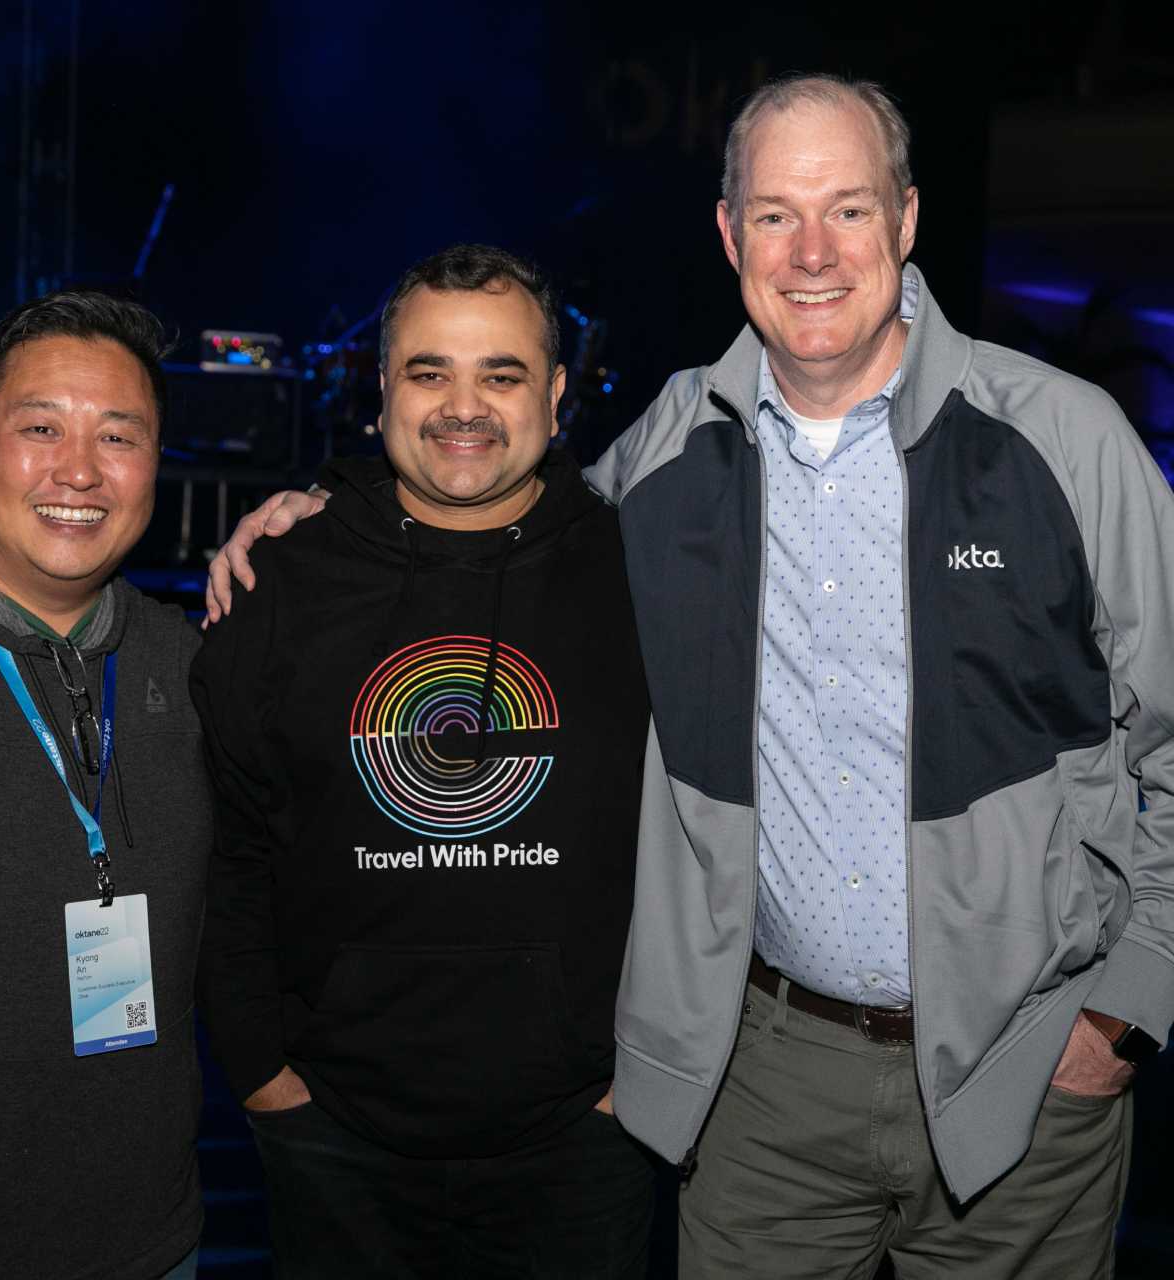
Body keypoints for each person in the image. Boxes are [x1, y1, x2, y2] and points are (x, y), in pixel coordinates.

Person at [210, 75, 1174, 1279]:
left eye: (848, 209)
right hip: (762, 1082)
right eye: (773, 214)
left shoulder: (1064, 438)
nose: (810, 251)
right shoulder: (665, 452)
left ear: (908, 219)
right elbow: (491, 496)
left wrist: (1120, 1012)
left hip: (1029, 1067)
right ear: (728, 236)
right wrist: (322, 510)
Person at [191, 244, 655, 1278]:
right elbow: (228, 859)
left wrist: (631, 1088)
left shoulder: (641, 578)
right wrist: (264, 1077)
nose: (464, 406)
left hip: (583, 1141)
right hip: (333, 1142)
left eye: (501, 372)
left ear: (556, 392)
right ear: (380, 386)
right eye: (427, 370)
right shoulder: (279, 583)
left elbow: (710, 846)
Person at [0, 291, 211, 1280]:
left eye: (118, 436)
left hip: (154, 1244)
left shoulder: (193, 665)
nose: (79, 470)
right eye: (40, 427)